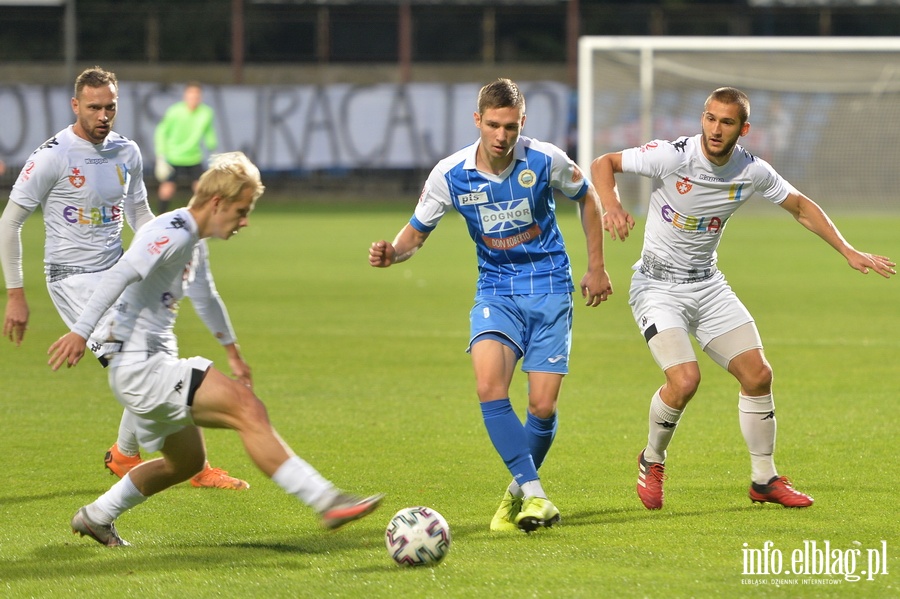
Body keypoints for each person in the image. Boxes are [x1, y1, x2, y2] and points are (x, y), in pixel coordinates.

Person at [49, 151, 383, 546]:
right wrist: (80, 332)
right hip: (141, 367)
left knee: (184, 463)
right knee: (247, 408)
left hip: (147, 369)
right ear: (216, 202)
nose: (244, 221)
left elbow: (206, 299)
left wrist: (233, 351)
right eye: (241, 211)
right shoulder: (170, 229)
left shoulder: (195, 240)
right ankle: (327, 501)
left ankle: (97, 516)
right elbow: (121, 272)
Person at [590, 86, 896, 510]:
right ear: (702, 119)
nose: (716, 129)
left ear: (743, 128)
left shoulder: (751, 171)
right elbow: (604, 163)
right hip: (658, 287)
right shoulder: (673, 155)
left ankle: (764, 479)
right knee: (685, 381)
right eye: (710, 118)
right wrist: (612, 204)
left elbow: (802, 206)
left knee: (758, 375)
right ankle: (652, 459)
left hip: (708, 285)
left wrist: (848, 250)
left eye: (727, 122)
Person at [369, 78, 612, 533]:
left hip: (550, 287)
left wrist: (596, 267)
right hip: (496, 290)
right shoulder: (450, 173)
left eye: (511, 127)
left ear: (523, 124)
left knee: (541, 406)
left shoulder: (545, 159)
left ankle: (515, 494)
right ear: (478, 120)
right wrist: (392, 254)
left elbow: (588, 198)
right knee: (489, 386)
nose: (502, 136)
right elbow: (415, 233)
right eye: (494, 125)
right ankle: (536, 495)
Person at [0, 66, 248, 490]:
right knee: (145, 363)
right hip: (72, 278)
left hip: (118, 268)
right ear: (76, 105)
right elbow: (10, 223)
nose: (102, 115)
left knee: (149, 361)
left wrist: (171, 248)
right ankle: (184, 463)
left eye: (110, 107)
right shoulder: (52, 156)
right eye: (93, 107)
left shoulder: (126, 152)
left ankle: (126, 455)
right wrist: (16, 294)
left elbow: (138, 215)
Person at [154, 82, 217, 214]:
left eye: (196, 95)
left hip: (193, 157)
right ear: (185, 96)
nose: (193, 98)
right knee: (167, 189)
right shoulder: (174, 111)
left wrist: (214, 152)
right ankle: (158, 220)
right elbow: (161, 132)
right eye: (191, 95)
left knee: (201, 189)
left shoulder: (206, 113)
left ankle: (202, 219)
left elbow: (209, 134)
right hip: (174, 156)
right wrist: (160, 156)